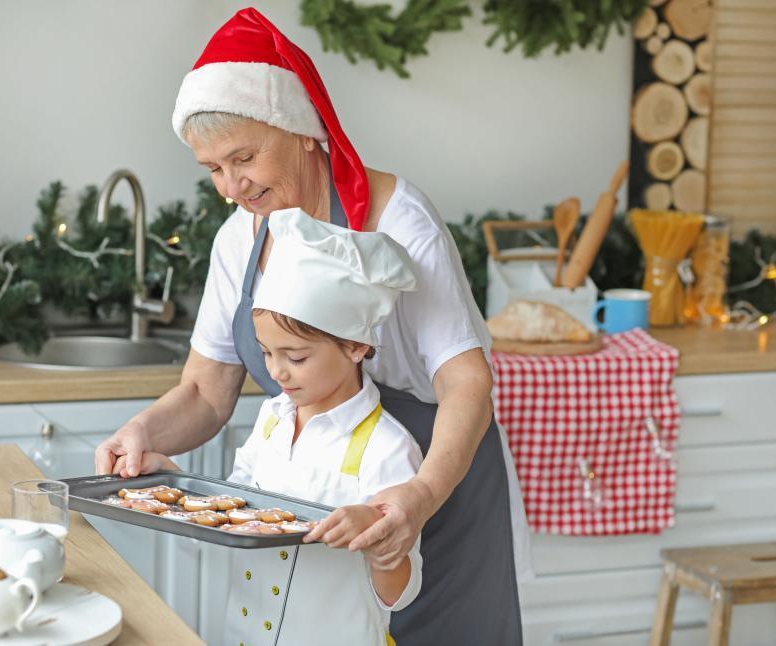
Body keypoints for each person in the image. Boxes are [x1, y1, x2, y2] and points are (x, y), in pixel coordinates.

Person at [96, 7, 529, 644]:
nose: (231, 187)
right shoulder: (238, 237)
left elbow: (467, 385)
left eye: (244, 158)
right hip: (314, 501)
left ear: (301, 131)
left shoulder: (399, 220)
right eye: (212, 168)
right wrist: (141, 431)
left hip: (433, 485)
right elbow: (205, 390)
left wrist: (418, 497)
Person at [142, 208, 424, 645]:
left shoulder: (387, 448)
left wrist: (379, 544)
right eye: (266, 353)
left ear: (355, 345)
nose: (278, 372)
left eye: (295, 357)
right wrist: (175, 481)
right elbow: (234, 507)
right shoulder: (273, 418)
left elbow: (401, 595)